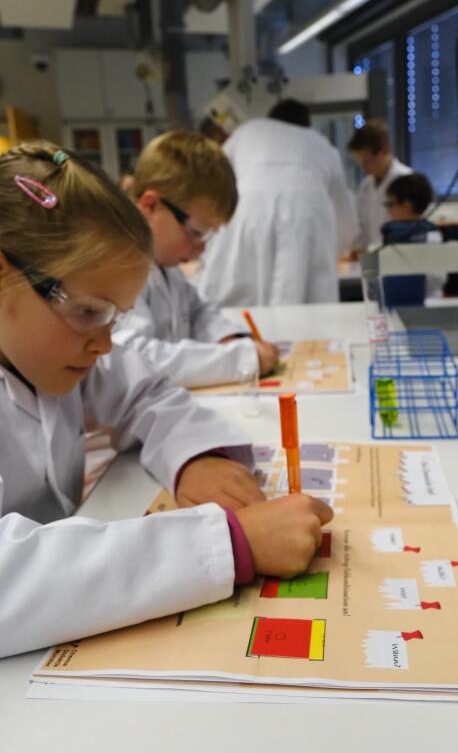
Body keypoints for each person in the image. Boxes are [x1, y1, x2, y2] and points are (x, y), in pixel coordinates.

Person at [0, 141, 333, 659]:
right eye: (88, 313)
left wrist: (194, 457)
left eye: (117, 319)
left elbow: (145, 390)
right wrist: (228, 544)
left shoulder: (52, 352)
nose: (106, 344)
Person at [113, 131, 279, 388]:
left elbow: (197, 311)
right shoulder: (119, 265)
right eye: (196, 232)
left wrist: (227, 338)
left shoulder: (164, 262)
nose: (201, 248)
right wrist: (240, 359)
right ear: (151, 205)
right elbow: (134, 358)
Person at [195, 104, 359, 307]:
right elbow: (345, 218)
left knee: (237, 295)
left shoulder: (248, 130)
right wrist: (339, 248)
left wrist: (204, 245)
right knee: (306, 302)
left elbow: (214, 182)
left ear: (270, 118)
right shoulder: (321, 143)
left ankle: (235, 328)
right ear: (306, 125)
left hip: (249, 206)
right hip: (310, 211)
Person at [347, 119, 412, 253]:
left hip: (401, 256)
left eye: (366, 160)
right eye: (359, 162)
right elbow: (362, 228)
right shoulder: (365, 186)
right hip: (373, 257)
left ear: (385, 150)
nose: (363, 167)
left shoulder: (407, 180)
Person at [379, 172, 439, 307]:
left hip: (427, 303)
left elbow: (436, 279)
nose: (388, 210)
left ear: (406, 205)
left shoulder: (431, 235)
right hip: (394, 302)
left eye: (390, 204)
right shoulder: (391, 233)